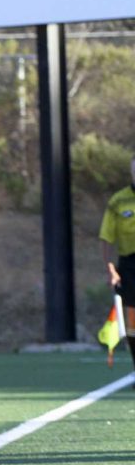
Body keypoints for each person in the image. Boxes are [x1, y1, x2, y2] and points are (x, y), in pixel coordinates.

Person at [99, 157, 135, 373]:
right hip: (130, 265)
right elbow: (106, 237)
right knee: (132, 322)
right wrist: (111, 269)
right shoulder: (118, 201)